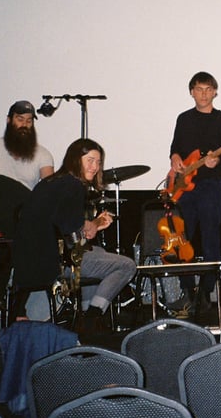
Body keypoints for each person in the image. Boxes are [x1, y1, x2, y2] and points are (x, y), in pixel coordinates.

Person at [13, 138, 137, 332]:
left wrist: (95, 223)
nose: (95, 167)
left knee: (99, 251)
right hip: (55, 264)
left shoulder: (52, 182)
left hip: (31, 263)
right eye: (90, 160)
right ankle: (92, 316)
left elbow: (62, 224)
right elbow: (75, 241)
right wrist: (94, 227)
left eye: (98, 162)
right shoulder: (73, 186)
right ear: (75, 159)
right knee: (127, 265)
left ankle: (85, 310)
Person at [166, 71, 221, 316]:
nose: (204, 94)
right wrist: (175, 158)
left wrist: (217, 162)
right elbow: (176, 148)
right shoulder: (183, 119)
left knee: (210, 236)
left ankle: (206, 292)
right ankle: (187, 291)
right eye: (199, 89)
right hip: (184, 188)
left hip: (211, 186)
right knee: (182, 239)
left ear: (215, 92)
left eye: (209, 89)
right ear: (191, 92)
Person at [0, 100, 55, 189]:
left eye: (29, 121)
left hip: (25, 201)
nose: (24, 124)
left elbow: (49, 192)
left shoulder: (43, 155)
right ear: (8, 120)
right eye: (20, 119)